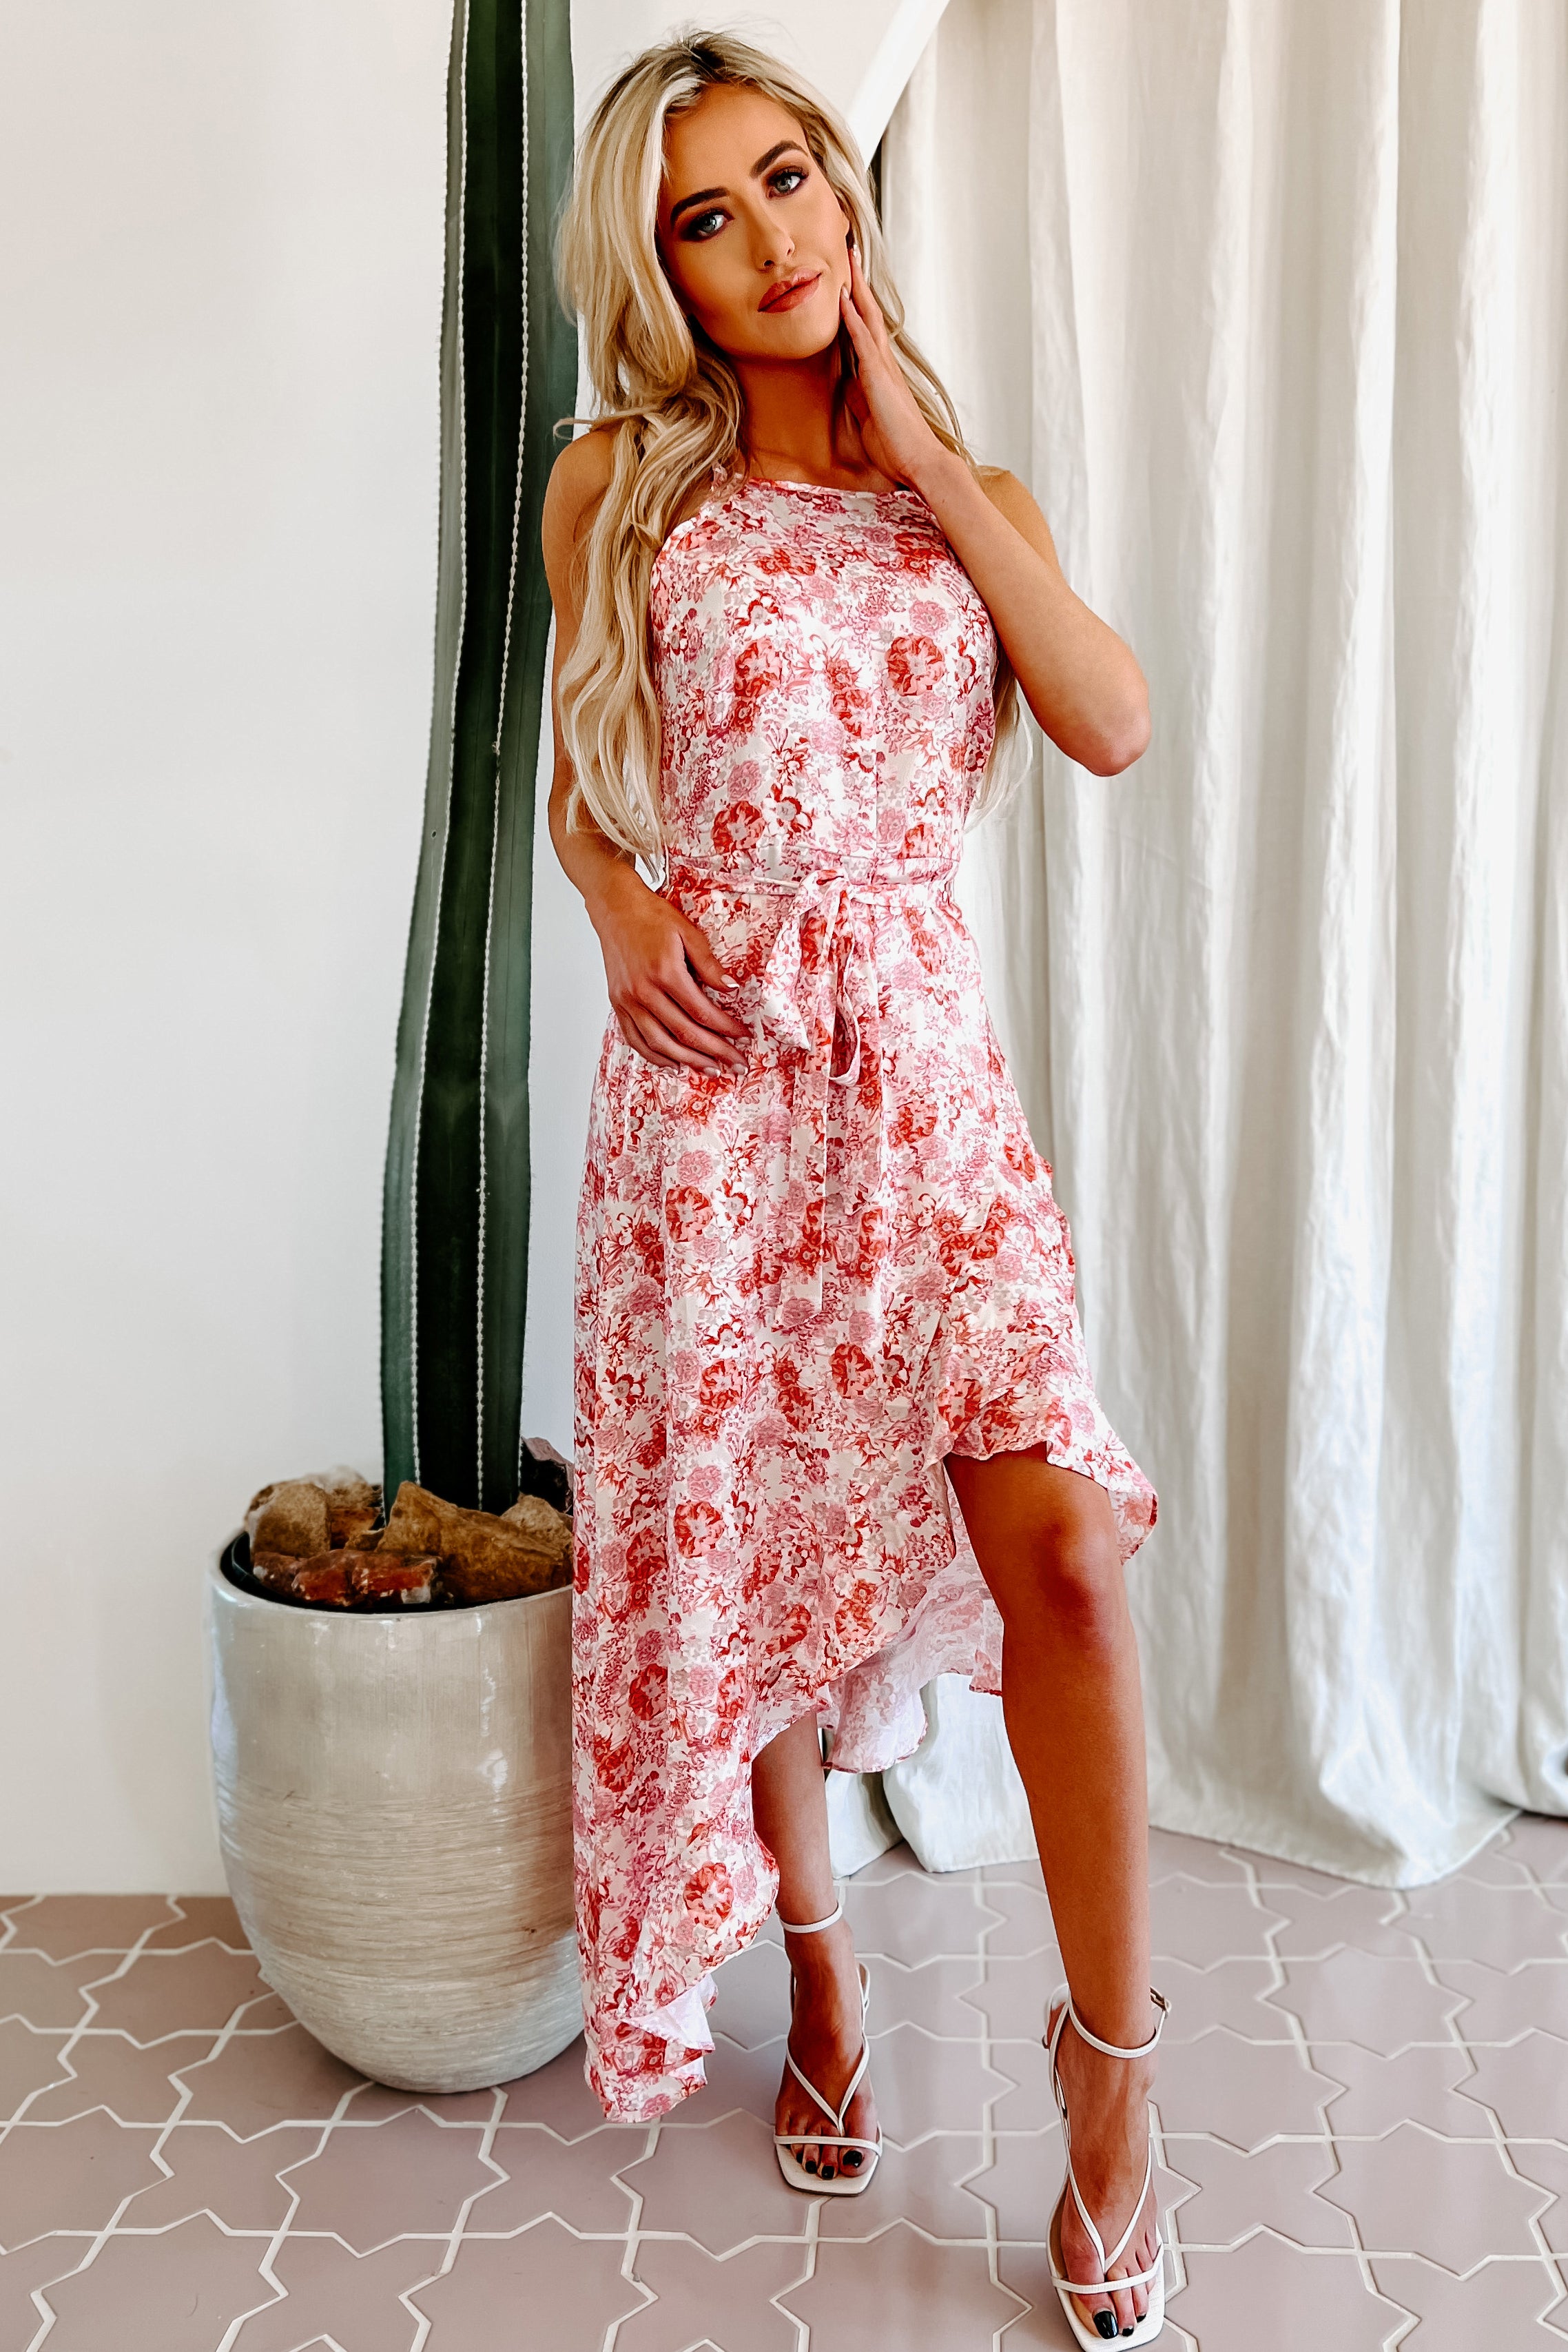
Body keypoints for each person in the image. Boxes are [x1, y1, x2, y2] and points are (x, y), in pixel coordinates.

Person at [542, 30, 1165, 2345]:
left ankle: (1109, 2081)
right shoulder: (617, 484)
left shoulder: (963, 486)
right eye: (704, 217)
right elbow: (578, 769)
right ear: (662, 272)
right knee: (754, 1547)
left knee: (1061, 1554)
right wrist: (619, 908)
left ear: (844, 183)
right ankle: (816, 1977)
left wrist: (919, 454)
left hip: (924, 1089)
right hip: (711, 1106)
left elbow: (1105, 717)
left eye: (788, 177)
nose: (768, 239)